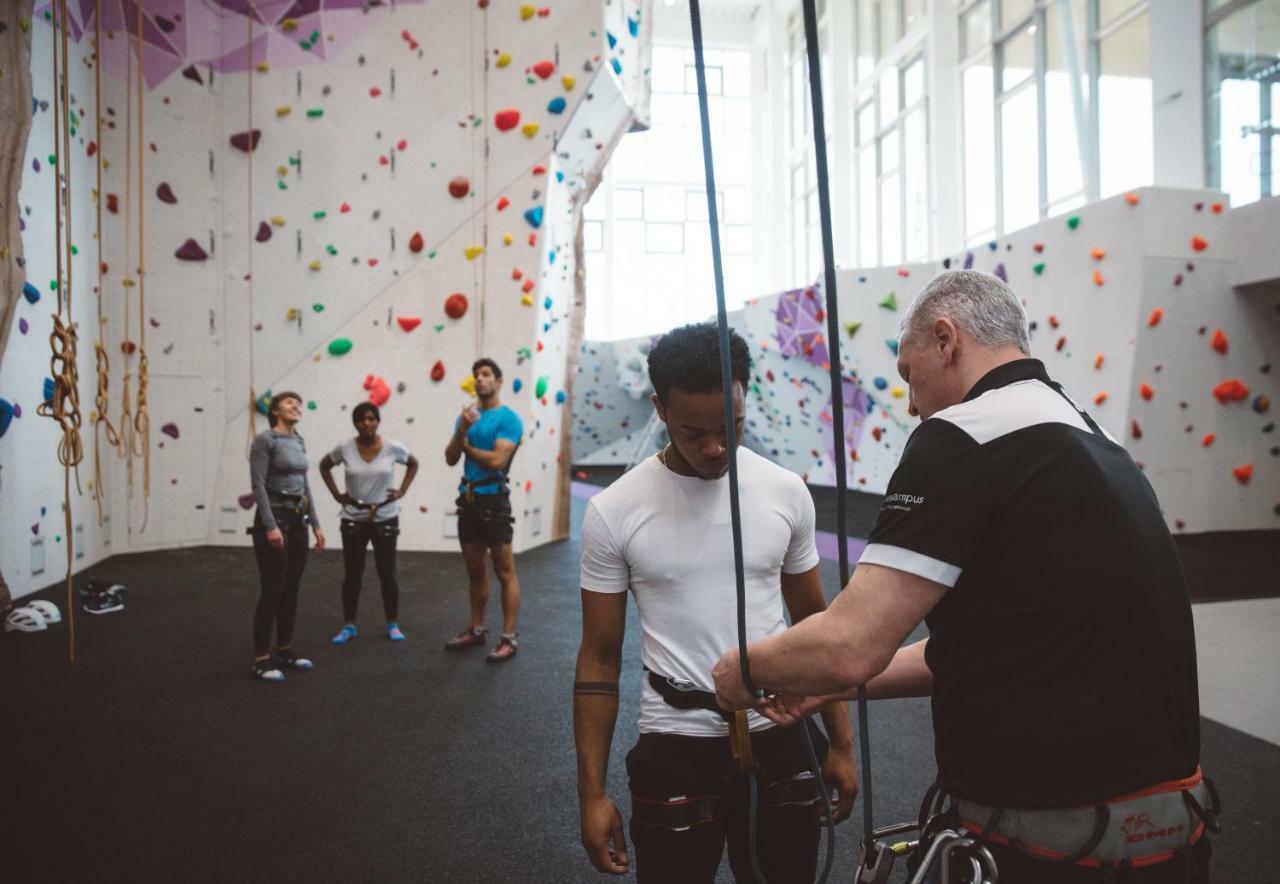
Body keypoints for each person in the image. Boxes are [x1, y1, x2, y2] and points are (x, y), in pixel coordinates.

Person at [712, 271, 1212, 884]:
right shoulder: (1096, 439)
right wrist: (833, 691)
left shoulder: (963, 435)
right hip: (1167, 844)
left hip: (1049, 853)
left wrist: (745, 670)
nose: (914, 403)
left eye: (909, 375)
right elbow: (1000, 651)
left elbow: (849, 643)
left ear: (945, 340)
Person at [574, 322, 858, 882]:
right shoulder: (614, 510)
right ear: (659, 407)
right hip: (673, 742)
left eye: (732, 426)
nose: (715, 448)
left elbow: (815, 623)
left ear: (746, 395)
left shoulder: (785, 492)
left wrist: (843, 744)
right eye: (692, 431)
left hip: (782, 728)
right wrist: (591, 794)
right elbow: (600, 660)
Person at [443, 358, 525, 662]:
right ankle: (477, 630)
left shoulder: (509, 419)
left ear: (499, 381)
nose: (480, 379)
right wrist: (461, 431)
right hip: (469, 499)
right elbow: (451, 458)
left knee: (505, 572)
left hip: (495, 501)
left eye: (486, 374)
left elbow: (496, 461)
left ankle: (509, 638)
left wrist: (466, 445)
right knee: (475, 570)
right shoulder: (467, 417)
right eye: (476, 374)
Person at [319, 402, 419, 644]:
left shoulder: (393, 447)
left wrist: (402, 491)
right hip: (353, 516)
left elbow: (413, 463)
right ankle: (349, 625)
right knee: (353, 573)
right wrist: (336, 495)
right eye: (361, 419)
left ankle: (392, 624)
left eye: (371, 418)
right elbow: (324, 466)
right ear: (355, 423)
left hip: (385, 516)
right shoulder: (345, 448)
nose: (367, 423)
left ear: (378, 421)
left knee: (387, 573)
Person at [248, 391, 326, 682]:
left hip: (297, 521)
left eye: (299, 403)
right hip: (275, 520)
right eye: (290, 402)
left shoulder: (298, 441)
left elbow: (305, 485)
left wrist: (316, 524)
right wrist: (270, 526)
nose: (296, 406)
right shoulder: (265, 440)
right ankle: (260, 659)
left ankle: (285, 649)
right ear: (275, 410)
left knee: (291, 588)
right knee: (273, 589)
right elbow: (258, 485)